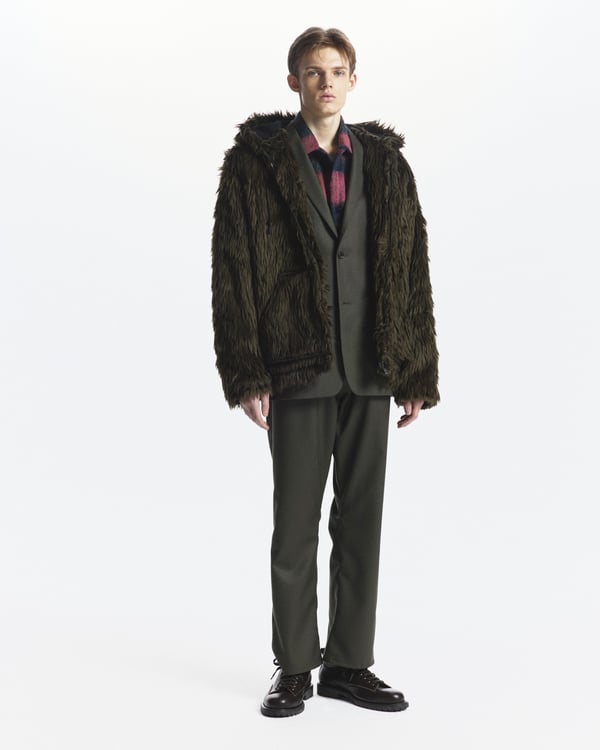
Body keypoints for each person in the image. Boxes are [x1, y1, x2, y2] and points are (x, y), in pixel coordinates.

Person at [211, 26, 440, 718]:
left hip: (371, 365)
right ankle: (294, 667)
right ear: (294, 82)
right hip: (298, 364)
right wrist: (248, 370)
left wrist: (415, 369)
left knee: (362, 520)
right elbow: (234, 269)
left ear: (353, 80)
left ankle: (347, 664)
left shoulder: (386, 164)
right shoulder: (256, 166)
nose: (327, 83)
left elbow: (410, 264)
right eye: (314, 72)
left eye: (337, 71)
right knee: (295, 524)